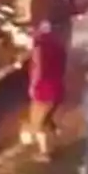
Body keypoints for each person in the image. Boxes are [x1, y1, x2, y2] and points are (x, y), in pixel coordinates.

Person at [28, 20, 68, 161]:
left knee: (38, 123)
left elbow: (38, 69)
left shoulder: (40, 48)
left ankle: (44, 153)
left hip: (43, 91)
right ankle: (59, 140)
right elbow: (63, 67)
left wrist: (33, 86)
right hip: (58, 88)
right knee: (48, 118)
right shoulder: (59, 47)